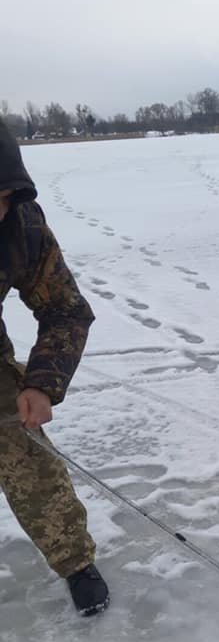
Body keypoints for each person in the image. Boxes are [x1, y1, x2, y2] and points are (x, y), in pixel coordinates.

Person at [0, 119, 109, 615]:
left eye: (3, 195)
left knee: (31, 462)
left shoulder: (20, 224)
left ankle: (75, 562)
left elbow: (64, 308)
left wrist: (42, 384)